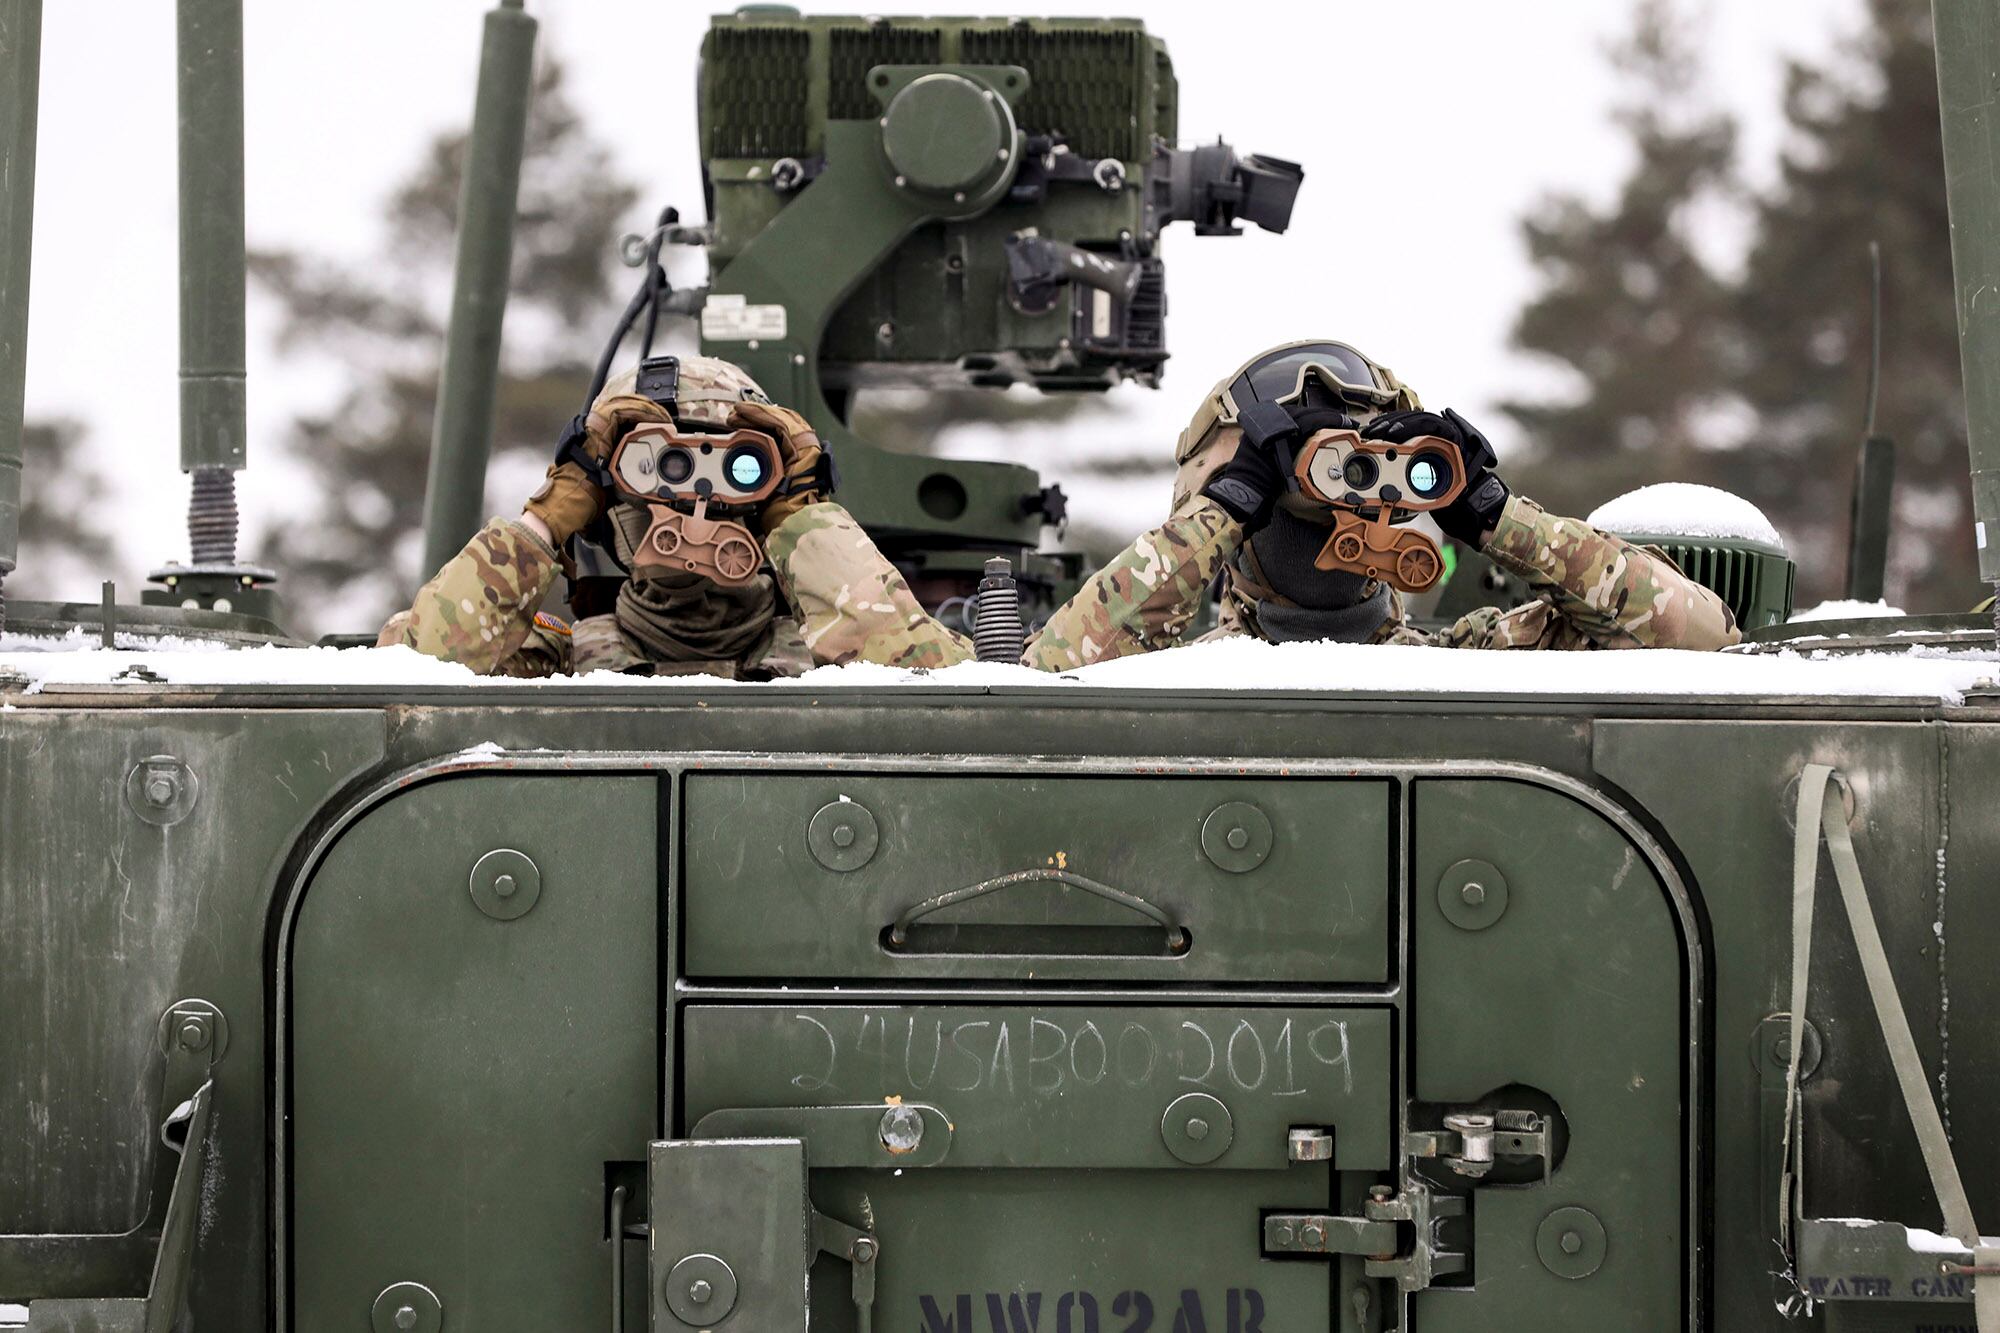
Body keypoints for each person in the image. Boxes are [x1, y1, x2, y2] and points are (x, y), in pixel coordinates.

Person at [792, 339, 1742, 671]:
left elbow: (1701, 638)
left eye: (1378, 482)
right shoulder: (1168, 678)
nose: (1345, 510)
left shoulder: (1476, 662)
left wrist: (1494, 515)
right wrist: (1231, 505)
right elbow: (1051, 670)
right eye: (1317, 482)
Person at [379, 354, 960, 677]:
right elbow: (410, 680)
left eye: (741, 473)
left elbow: (942, 699)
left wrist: (802, 517)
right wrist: (548, 518)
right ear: (607, 504)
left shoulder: (833, 666)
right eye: (659, 469)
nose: (693, 503)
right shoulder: (557, 663)